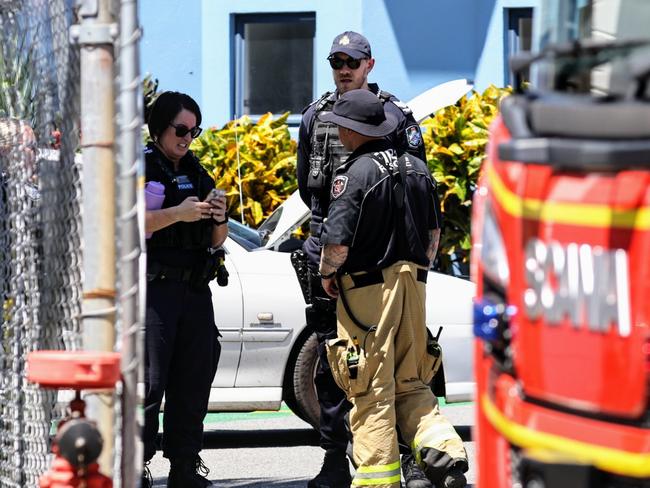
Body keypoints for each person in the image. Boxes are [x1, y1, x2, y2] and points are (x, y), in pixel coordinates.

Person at [296, 31, 430, 488]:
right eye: (336, 61)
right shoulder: (316, 115)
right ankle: (335, 458)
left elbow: (416, 184)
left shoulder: (396, 115)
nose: (343, 68)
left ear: (370, 64)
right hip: (327, 244)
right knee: (335, 361)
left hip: (380, 254)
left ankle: (409, 460)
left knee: (395, 360)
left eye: (352, 61)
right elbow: (306, 187)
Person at [318, 89, 469, 488]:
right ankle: (447, 455)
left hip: (368, 291)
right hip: (414, 286)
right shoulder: (418, 167)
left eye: (341, 128)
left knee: (369, 386)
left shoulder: (356, 172)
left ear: (353, 129)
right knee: (411, 381)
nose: (339, 134)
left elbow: (337, 243)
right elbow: (433, 235)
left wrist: (328, 275)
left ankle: (376, 481)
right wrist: (416, 271)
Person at [142, 91, 228, 488]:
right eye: (180, 130)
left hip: (194, 291)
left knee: (193, 381)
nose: (187, 139)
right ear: (159, 127)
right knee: (150, 383)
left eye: (194, 131)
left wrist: (218, 215)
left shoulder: (197, 170)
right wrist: (178, 213)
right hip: (154, 291)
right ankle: (134, 466)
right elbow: (129, 226)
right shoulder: (141, 168)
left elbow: (215, 241)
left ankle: (184, 466)